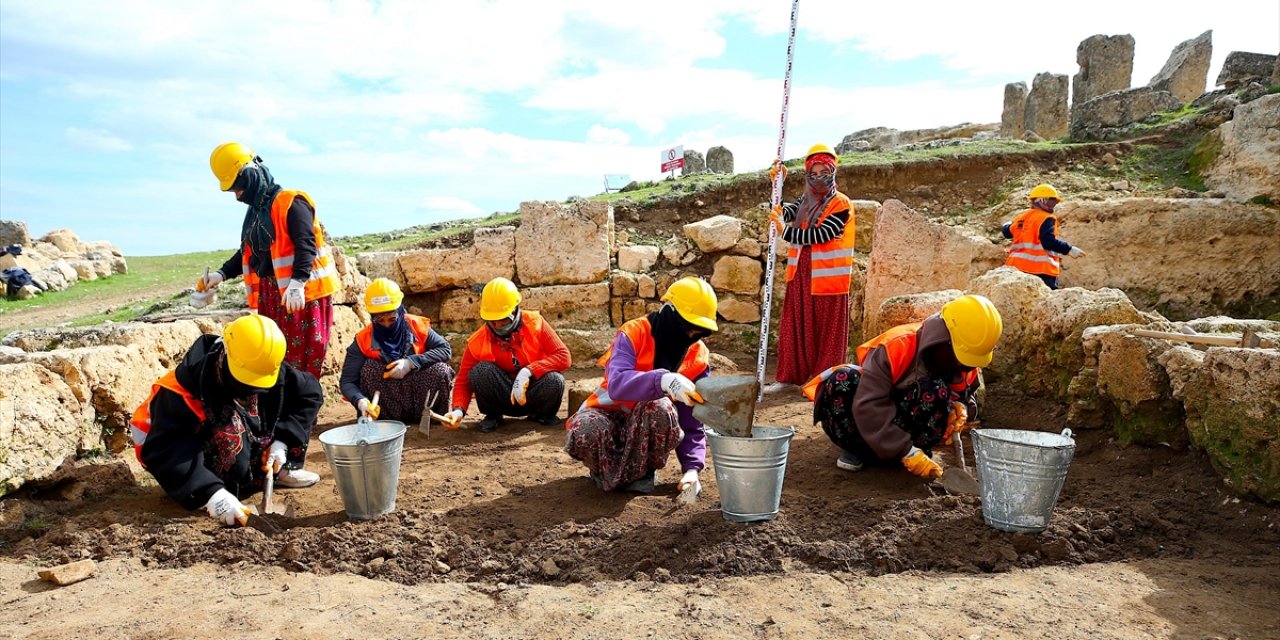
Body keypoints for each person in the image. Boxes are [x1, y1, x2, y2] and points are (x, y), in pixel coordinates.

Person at [130, 314, 323, 527]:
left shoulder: (263, 365)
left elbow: (309, 394)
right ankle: (219, 489)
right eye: (245, 381)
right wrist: (212, 494)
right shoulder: (180, 392)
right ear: (225, 355)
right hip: (176, 459)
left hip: (245, 441)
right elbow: (169, 450)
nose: (249, 389)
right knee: (228, 430)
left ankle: (274, 470)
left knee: (271, 402)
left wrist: (283, 442)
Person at [801, 294, 1002, 480]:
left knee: (936, 390)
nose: (964, 367)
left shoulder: (963, 360)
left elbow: (968, 394)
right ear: (946, 340)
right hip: (866, 426)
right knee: (842, 380)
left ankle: (916, 452)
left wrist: (962, 407)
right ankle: (861, 450)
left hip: (910, 431)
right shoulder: (896, 346)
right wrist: (904, 449)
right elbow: (868, 405)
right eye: (962, 360)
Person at [192, 142, 340, 382]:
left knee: (303, 359)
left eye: (238, 187)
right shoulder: (256, 212)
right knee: (274, 356)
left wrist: (298, 283)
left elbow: (306, 245)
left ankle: (301, 413)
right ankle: (279, 411)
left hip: (304, 295)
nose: (238, 196)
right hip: (273, 294)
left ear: (250, 175)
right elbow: (248, 252)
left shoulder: (291, 203)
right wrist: (221, 274)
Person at [565, 276, 717, 495]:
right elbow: (617, 385)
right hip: (608, 416)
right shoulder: (634, 332)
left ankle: (643, 472)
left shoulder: (697, 356)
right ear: (669, 311)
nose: (692, 336)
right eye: (688, 327)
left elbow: (691, 420)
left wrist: (692, 469)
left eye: (700, 331)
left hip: (646, 428)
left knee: (660, 408)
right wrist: (662, 380)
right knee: (585, 429)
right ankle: (602, 470)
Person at [764, 143, 856, 393]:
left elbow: (823, 233)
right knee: (795, 328)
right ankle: (789, 378)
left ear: (833, 171)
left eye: (823, 173)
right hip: (801, 274)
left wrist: (786, 232)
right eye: (812, 174)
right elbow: (783, 211)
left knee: (827, 334)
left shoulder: (841, 203)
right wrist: (777, 185)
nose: (818, 178)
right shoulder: (806, 201)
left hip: (828, 281)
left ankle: (823, 385)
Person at [443, 277, 571, 432]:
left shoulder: (535, 323)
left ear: (514, 310)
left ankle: (540, 414)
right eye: (492, 321)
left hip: (532, 392)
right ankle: (493, 416)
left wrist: (529, 371)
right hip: (501, 396)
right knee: (481, 371)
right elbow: (463, 381)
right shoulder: (478, 340)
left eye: (503, 320)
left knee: (555, 380)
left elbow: (563, 356)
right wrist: (458, 410)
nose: (497, 326)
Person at [340, 278, 454, 423]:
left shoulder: (416, 326)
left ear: (400, 312)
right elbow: (347, 381)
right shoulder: (363, 339)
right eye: (380, 321)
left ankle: (430, 418)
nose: (387, 325)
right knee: (369, 368)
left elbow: (444, 350)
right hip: (387, 403)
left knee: (440, 370)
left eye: (392, 319)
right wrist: (360, 400)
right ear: (372, 318)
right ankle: (383, 421)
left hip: (420, 393)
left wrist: (411, 363)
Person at [1002, 183, 1087, 290]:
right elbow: (1048, 241)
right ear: (1041, 200)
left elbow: (1007, 232)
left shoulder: (1022, 217)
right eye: (1051, 201)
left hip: (1016, 269)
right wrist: (1069, 249)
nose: (1053, 205)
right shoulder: (1046, 218)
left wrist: (1006, 226)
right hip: (1041, 271)